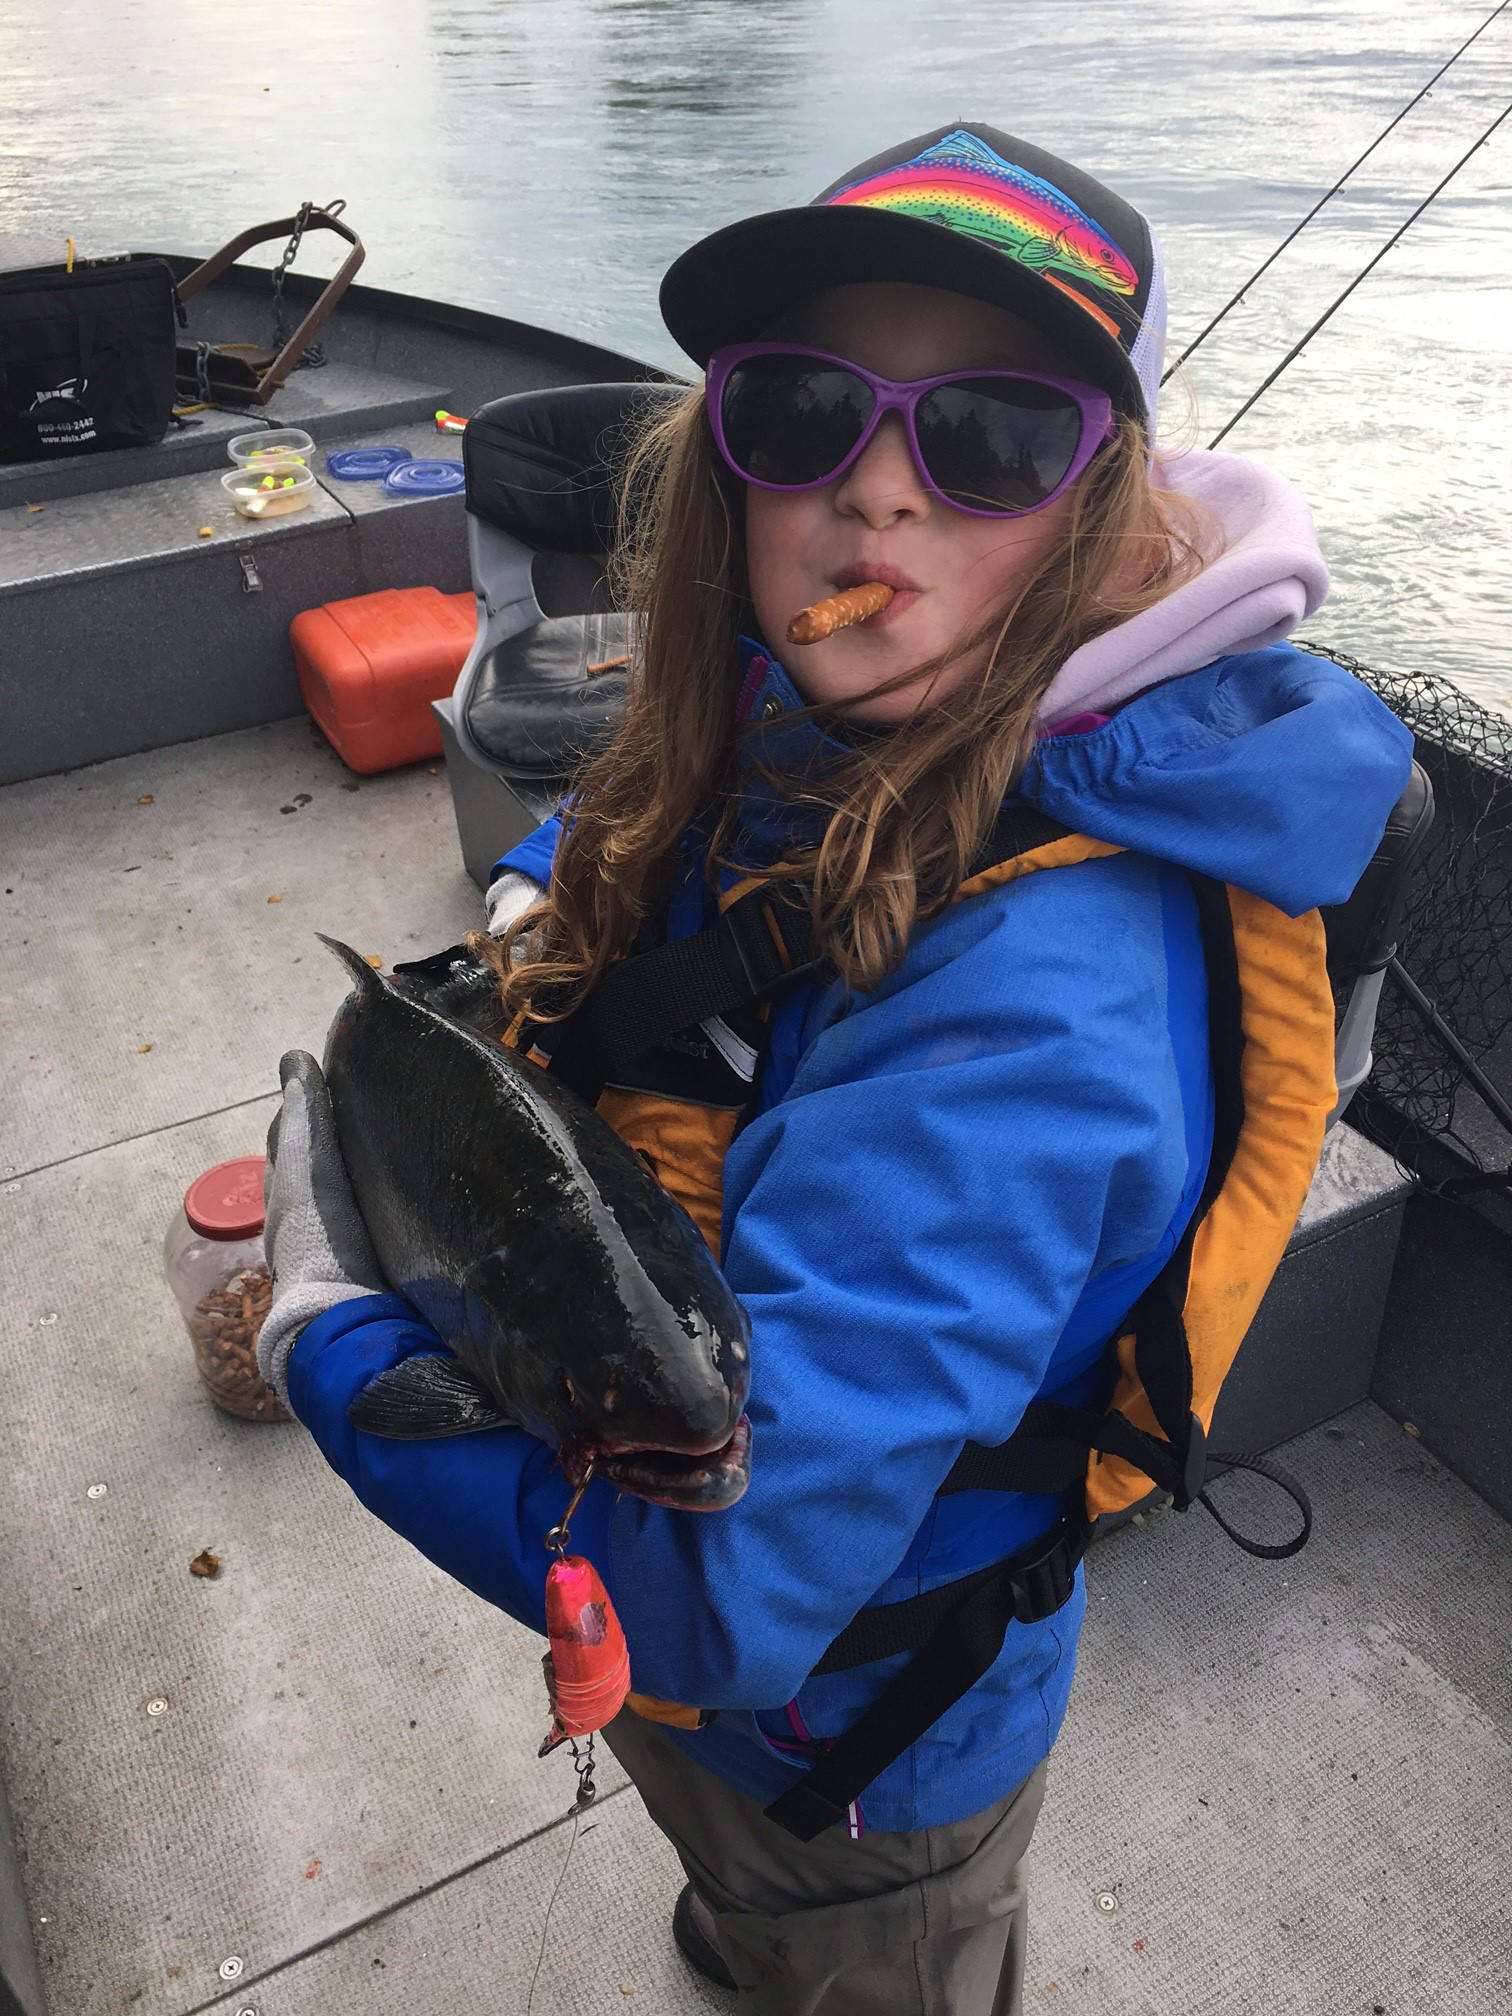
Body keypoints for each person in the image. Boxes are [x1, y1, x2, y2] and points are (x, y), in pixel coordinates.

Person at [259, 124, 1413, 2014]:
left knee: (853, 1957)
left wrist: (336, 1337)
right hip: (705, 1686)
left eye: (992, 437)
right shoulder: (811, 696)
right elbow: (648, 856)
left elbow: (716, 1599)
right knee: (740, 1909)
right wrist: (540, 926)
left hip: (856, 1748)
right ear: (731, 464)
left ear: (1100, 512)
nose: (877, 497)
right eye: (802, 409)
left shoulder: (1038, 1018)